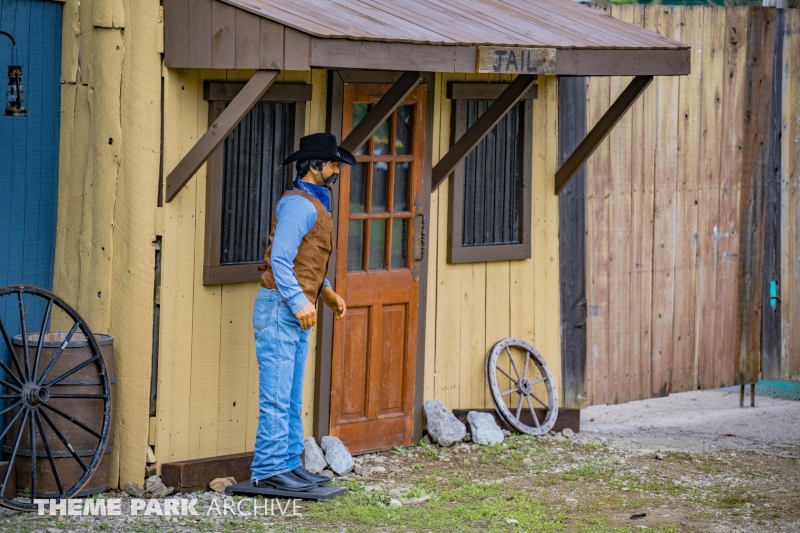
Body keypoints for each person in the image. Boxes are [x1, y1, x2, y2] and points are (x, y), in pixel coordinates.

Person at [250, 133, 355, 491]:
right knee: (277, 397)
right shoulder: (299, 204)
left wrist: (324, 292)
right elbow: (280, 258)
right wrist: (298, 301)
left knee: (291, 395)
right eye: (333, 164)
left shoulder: (313, 202)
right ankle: (267, 470)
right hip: (281, 308)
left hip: (294, 309)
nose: (337, 169)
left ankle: (290, 464)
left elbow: (303, 260)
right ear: (315, 166)